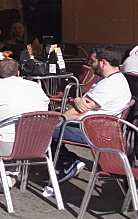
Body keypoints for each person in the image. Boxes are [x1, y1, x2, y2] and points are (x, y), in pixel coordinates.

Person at [53, 46, 132, 183]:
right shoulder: (111, 79)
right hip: (96, 127)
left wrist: (59, 119)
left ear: (103, 62)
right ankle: (64, 163)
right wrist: (78, 100)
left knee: (42, 130)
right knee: (48, 126)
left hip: (92, 131)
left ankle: (68, 163)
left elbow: (79, 111)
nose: (90, 65)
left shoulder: (110, 84)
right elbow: (83, 103)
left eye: (93, 61)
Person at [0, 58, 49, 186]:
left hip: (6, 145)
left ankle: (2, 171)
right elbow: (45, 110)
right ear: (18, 73)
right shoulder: (35, 86)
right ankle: (8, 171)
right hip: (38, 143)